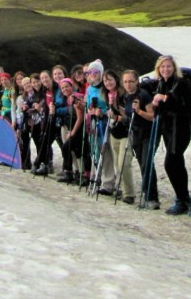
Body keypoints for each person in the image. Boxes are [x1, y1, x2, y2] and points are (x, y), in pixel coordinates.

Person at [151, 55, 191, 215]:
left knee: (170, 163)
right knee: (177, 162)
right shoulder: (161, 84)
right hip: (169, 128)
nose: (166, 69)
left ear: (174, 67)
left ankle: (181, 199)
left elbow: (176, 101)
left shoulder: (181, 82)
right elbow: (161, 107)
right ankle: (184, 197)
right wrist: (157, 103)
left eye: (168, 66)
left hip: (180, 128)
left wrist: (162, 98)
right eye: (163, 67)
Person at [122, 69, 160, 209]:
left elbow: (152, 116)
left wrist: (139, 111)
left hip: (149, 133)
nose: (128, 84)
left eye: (131, 81)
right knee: (143, 163)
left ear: (137, 81)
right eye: (125, 82)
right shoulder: (126, 96)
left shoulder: (143, 95)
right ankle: (148, 194)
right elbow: (127, 114)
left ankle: (152, 198)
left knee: (147, 163)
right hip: (136, 134)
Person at [103, 68, 136, 204]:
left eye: (110, 79)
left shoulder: (123, 94)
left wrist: (116, 112)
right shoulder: (107, 95)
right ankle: (121, 188)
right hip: (114, 132)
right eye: (105, 80)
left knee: (124, 163)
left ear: (116, 80)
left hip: (126, 132)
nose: (108, 83)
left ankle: (129, 193)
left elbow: (128, 115)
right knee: (117, 162)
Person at [84, 60, 117, 195]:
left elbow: (110, 105)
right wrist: (90, 110)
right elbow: (88, 107)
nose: (93, 74)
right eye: (90, 72)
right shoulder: (90, 88)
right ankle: (102, 178)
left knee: (108, 151)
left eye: (96, 72)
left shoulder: (105, 88)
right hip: (94, 123)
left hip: (106, 122)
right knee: (97, 150)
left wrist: (102, 112)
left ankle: (109, 182)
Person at [56, 78, 86, 184]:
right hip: (72, 128)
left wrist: (72, 132)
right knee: (72, 150)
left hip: (78, 129)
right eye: (63, 88)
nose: (65, 89)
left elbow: (80, 117)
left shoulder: (75, 97)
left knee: (71, 149)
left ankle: (76, 173)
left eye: (67, 87)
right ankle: (74, 172)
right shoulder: (69, 99)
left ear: (71, 86)